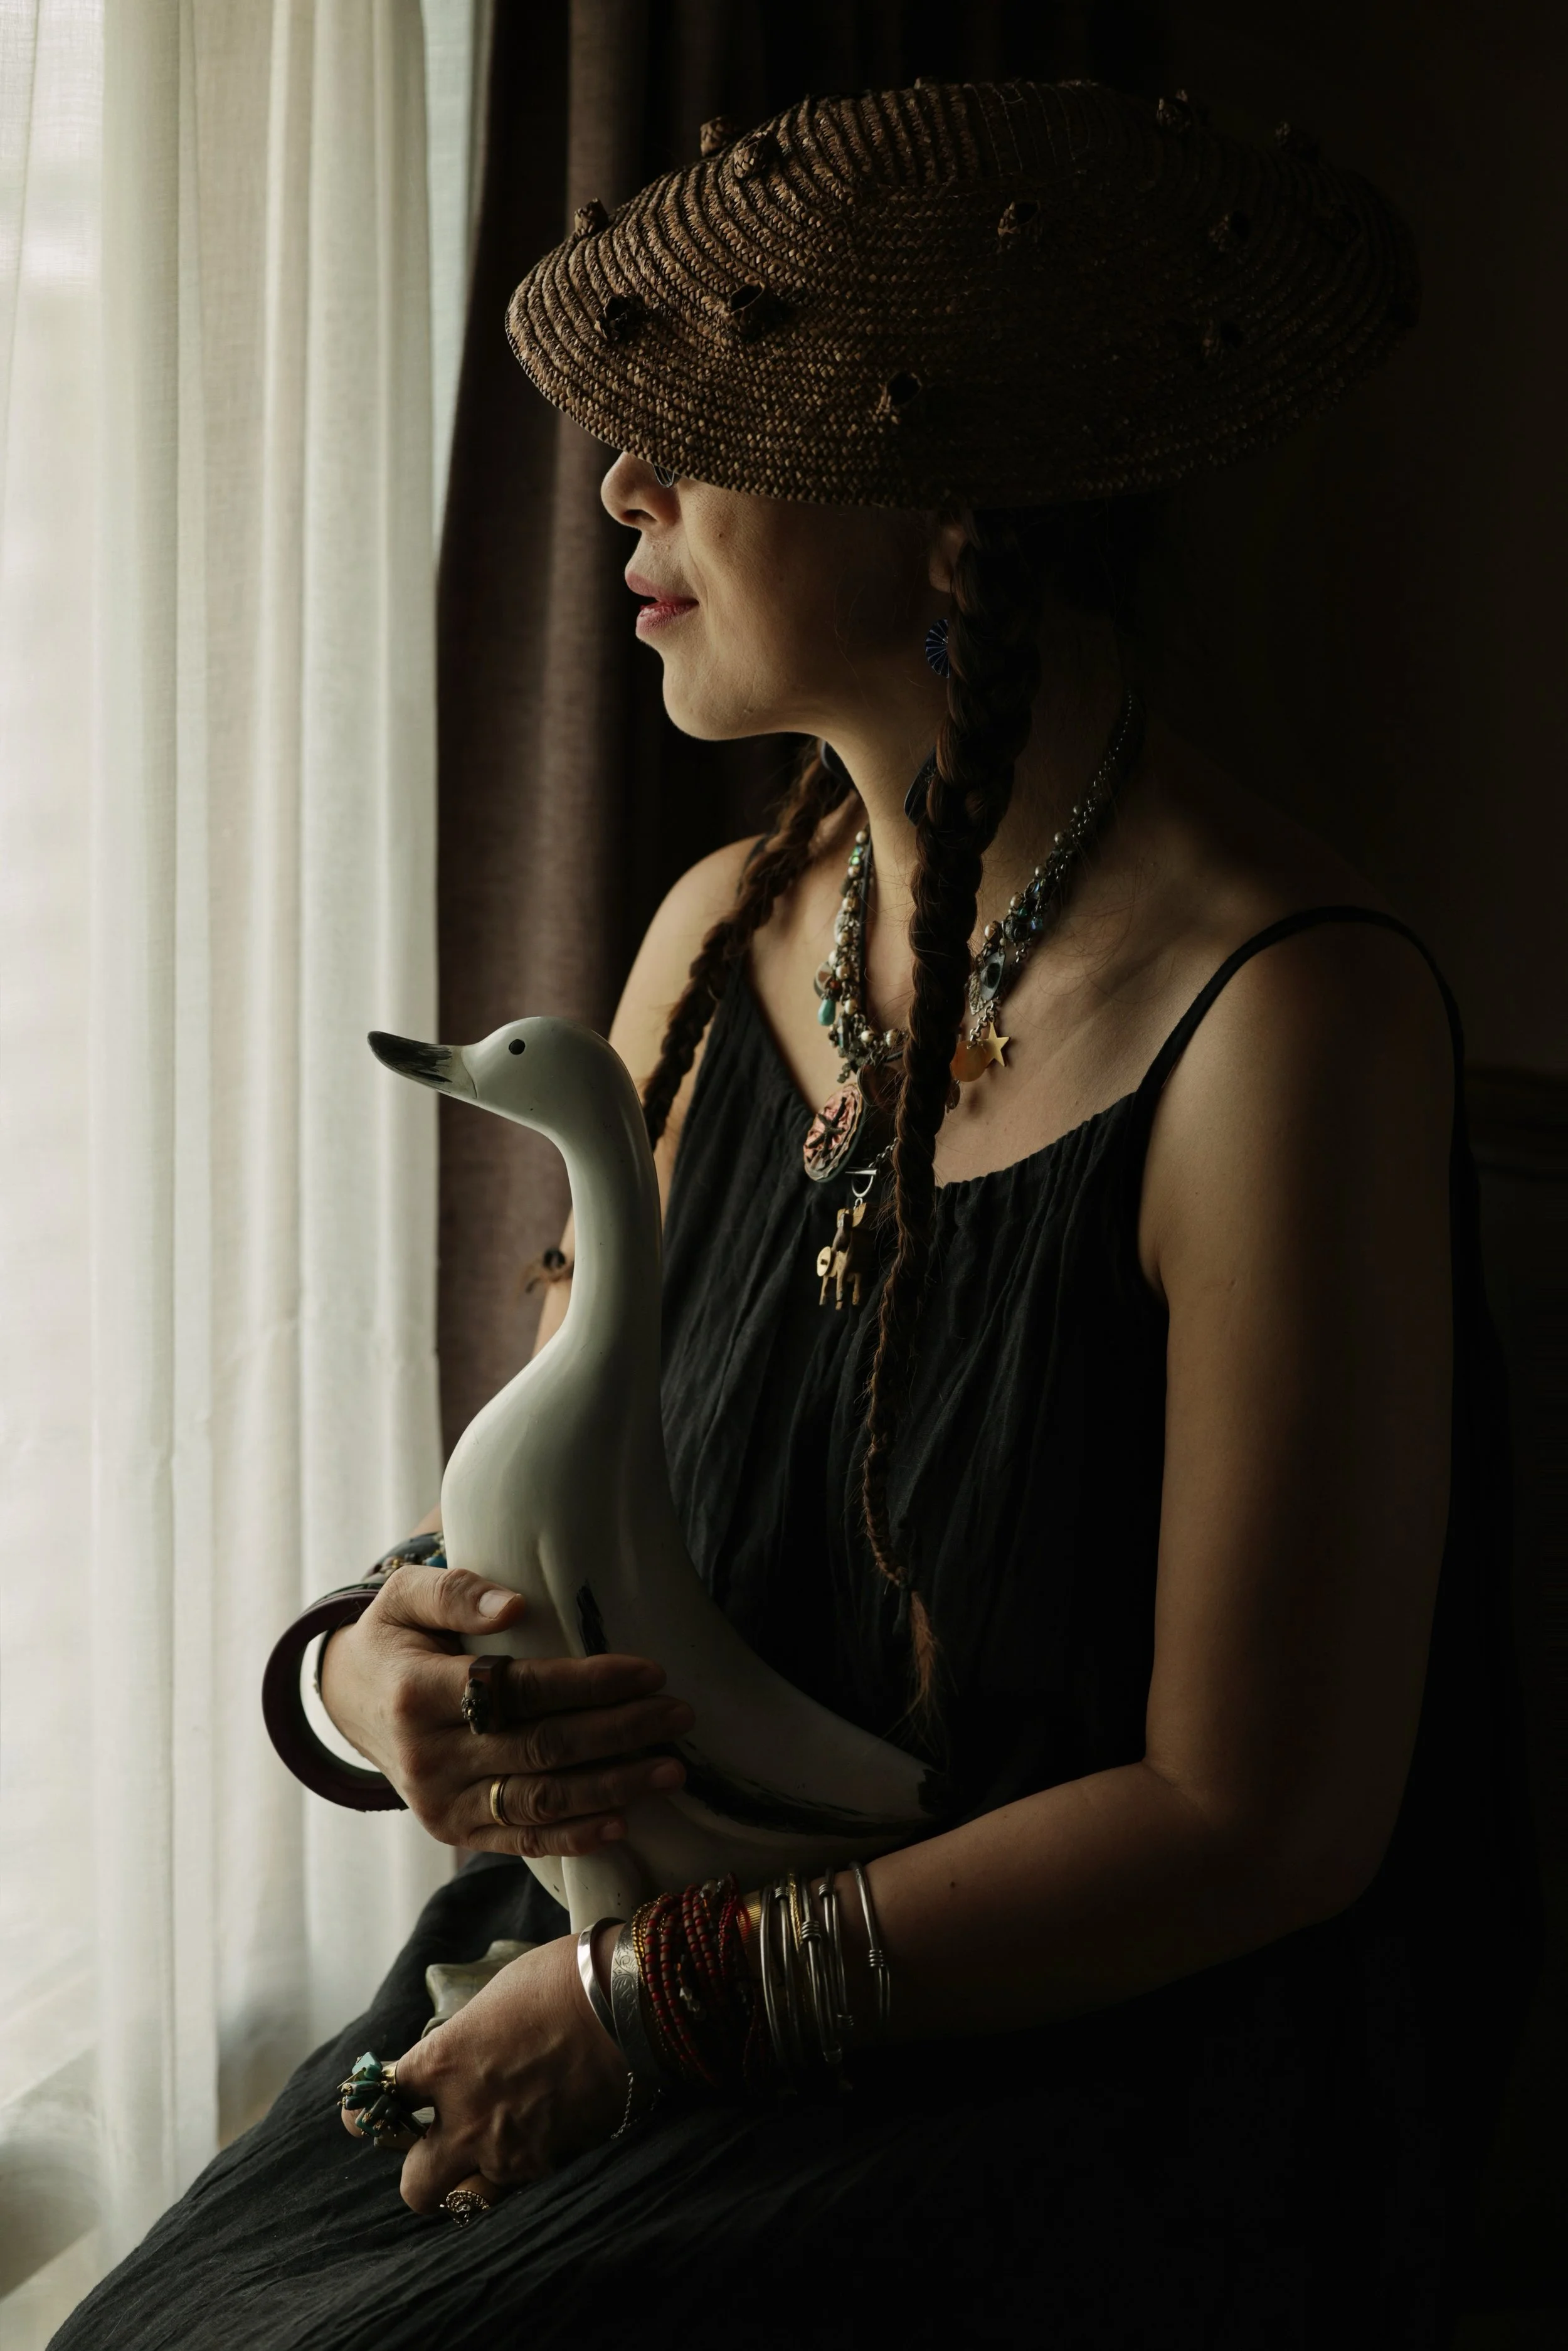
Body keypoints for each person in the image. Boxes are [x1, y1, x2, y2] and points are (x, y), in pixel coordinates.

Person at [55, 77, 1538, 2351]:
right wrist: (377, 1666)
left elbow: (1265, 1822)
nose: (623, 483)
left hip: (1074, 2097)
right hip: (636, 1987)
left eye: (708, 420)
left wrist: (650, 2000)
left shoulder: (1286, 1025)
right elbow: (565, 1485)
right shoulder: (707, 934)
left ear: (955, 511)